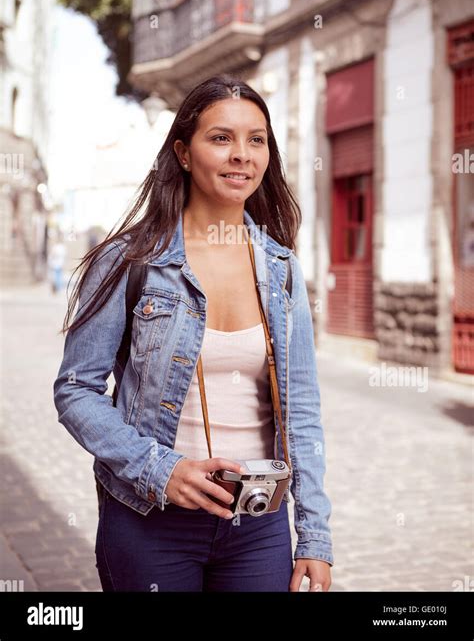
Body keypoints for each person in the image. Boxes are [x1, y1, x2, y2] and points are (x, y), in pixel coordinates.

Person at [53, 74, 334, 592]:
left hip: (258, 524)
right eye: (220, 138)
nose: (241, 155)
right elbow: (76, 389)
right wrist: (160, 468)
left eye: (257, 140)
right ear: (183, 152)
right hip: (150, 520)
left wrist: (314, 536)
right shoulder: (129, 261)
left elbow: (303, 409)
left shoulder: (283, 269)